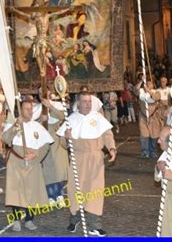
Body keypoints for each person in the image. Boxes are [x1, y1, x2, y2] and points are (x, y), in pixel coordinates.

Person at [56, 92, 117, 237]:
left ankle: (95, 225)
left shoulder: (98, 118)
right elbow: (63, 143)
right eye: (85, 101)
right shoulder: (71, 119)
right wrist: (66, 136)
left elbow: (108, 135)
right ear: (79, 103)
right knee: (75, 189)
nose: (88, 104)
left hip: (96, 158)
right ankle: (75, 218)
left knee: (95, 190)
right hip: (78, 157)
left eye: (89, 101)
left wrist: (112, 149)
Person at [2, 100, 54, 232]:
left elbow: (46, 145)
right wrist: (16, 124)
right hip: (16, 161)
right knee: (16, 192)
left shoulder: (37, 126)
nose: (30, 111)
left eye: (31, 109)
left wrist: (35, 155)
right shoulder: (13, 123)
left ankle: (29, 219)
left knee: (31, 192)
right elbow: (6, 139)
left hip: (32, 163)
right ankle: (16, 220)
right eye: (26, 109)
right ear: (20, 110)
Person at [41, 94, 68, 207]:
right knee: (48, 170)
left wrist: (51, 107)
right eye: (39, 92)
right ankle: (50, 196)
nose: (41, 94)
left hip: (57, 138)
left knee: (58, 169)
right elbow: (30, 123)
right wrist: (40, 119)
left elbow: (64, 116)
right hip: (44, 139)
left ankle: (59, 195)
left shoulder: (58, 105)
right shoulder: (37, 107)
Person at [138, 81, 162, 158]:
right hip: (143, 117)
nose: (148, 84)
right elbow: (135, 90)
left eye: (150, 83)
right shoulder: (141, 92)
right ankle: (145, 152)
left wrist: (148, 90)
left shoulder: (157, 92)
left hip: (153, 117)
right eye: (147, 83)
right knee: (144, 135)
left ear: (153, 85)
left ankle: (153, 151)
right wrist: (141, 81)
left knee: (154, 136)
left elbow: (156, 97)